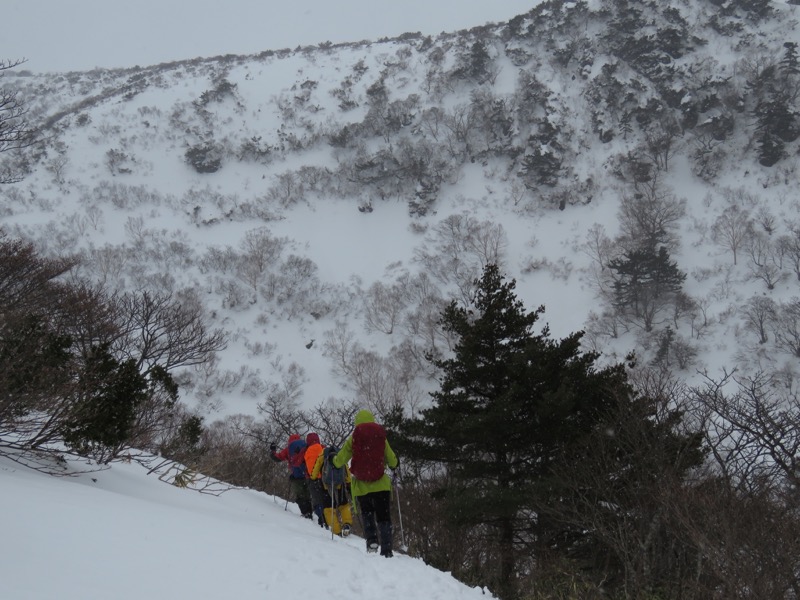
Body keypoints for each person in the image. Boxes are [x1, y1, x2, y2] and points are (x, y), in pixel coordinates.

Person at [329, 409, 398, 557]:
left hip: (362, 486)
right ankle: (386, 549)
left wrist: (334, 461)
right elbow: (391, 458)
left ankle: (372, 542)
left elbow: (341, 458)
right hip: (381, 485)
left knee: (367, 514)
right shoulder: (380, 437)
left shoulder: (355, 437)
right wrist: (394, 464)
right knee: (383, 516)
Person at [311, 444, 353, 537]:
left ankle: (336, 530)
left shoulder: (323, 454)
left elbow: (317, 467)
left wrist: (313, 478)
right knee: (344, 504)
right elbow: (346, 469)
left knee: (329, 508)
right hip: (339, 484)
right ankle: (347, 523)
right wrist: (348, 482)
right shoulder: (340, 454)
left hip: (326, 485)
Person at [270, 434, 313, 519]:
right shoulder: (306, 446)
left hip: (296, 477)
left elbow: (277, 458)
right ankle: (310, 513)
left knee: (300, 496)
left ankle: (305, 513)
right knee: (307, 495)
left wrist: (273, 451)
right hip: (308, 475)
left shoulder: (288, 449)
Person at [303, 432, 327, 527]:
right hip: (324, 478)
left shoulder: (306, 450)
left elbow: (302, 464)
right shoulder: (323, 448)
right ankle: (328, 519)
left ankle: (321, 518)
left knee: (317, 499)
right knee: (326, 499)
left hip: (312, 478)